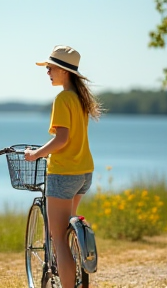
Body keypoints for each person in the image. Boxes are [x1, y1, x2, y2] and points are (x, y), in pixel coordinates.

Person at [24, 45, 102, 288]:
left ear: (64, 71)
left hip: (63, 174)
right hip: (84, 173)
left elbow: (61, 140)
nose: (47, 71)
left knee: (57, 237)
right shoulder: (80, 99)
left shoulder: (63, 99)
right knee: (67, 226)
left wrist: (36, 154)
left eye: (50, 67)